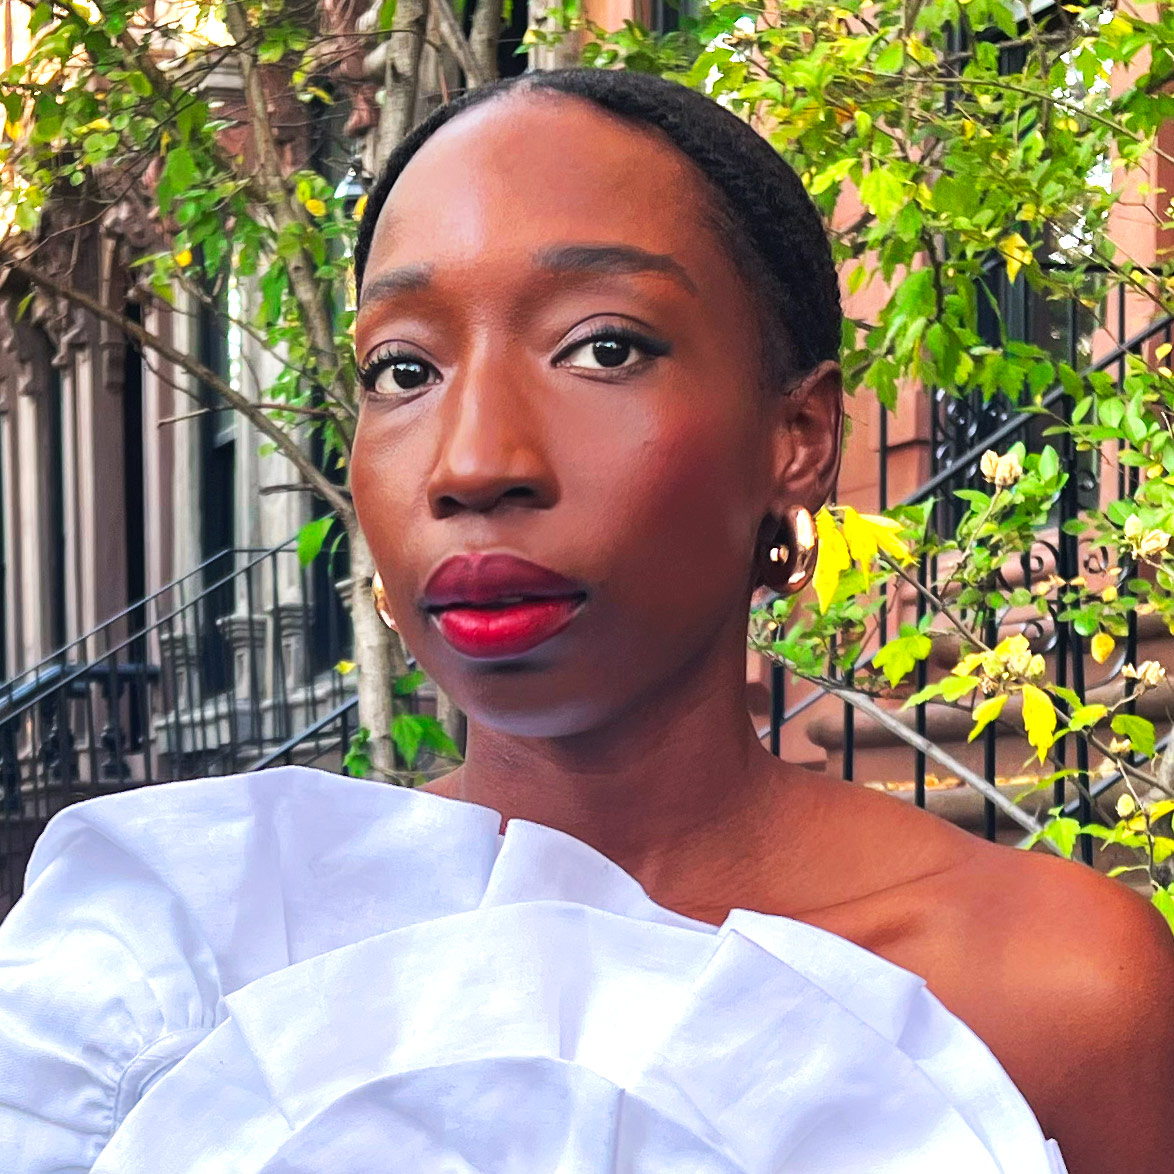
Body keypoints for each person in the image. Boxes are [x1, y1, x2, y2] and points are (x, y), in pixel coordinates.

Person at [1, 66, 1171, 1173]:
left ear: (798, 438)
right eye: (402, 371)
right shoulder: (174, 980)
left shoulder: (1053, 991)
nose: (472, 462)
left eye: (604, 347)